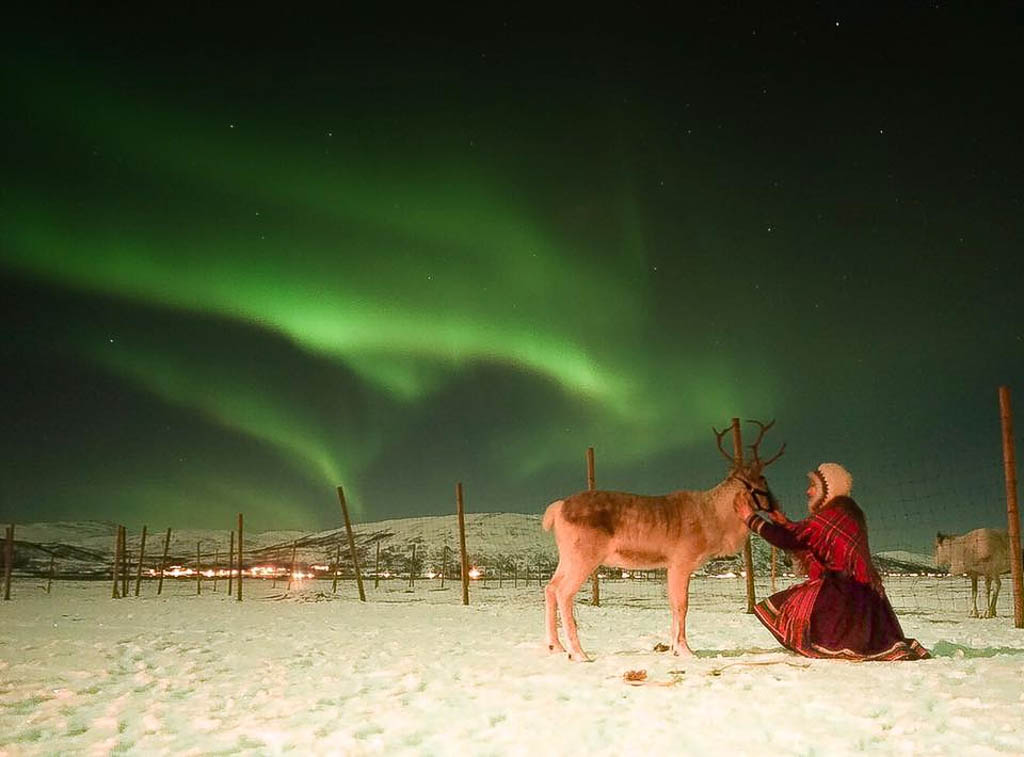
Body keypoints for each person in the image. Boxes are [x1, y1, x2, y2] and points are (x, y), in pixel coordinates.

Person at [733, 462, 930, 661]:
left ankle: (835, 639)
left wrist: (750, 518)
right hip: (862, 597)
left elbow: (792, 538)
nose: (808, 491)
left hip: (844, 596)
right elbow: (802, 536)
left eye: (813, 486)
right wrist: (774, 512)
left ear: (829, 489)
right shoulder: (847, 513)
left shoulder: (836, 515)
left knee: (791, 603)